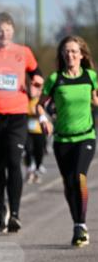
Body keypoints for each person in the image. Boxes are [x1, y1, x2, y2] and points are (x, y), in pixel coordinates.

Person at [0, 13, 43, 233]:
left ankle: (15, 214)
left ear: (13, 31)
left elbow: (37, 74)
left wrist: (36, 86)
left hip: (17, 115)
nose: (4, 34)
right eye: (0, 30)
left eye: (8, 30)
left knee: (14, 161)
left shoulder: (23, 52)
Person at [38, 35, 98, 247]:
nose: (70, 55)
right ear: (62, 55)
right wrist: (43, 119)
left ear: (81, 55)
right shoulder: (55, 79)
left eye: (74, 51)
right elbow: (40, 104)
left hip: (86, 136)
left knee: (79, 177)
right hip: (62, 139)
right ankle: (77, 223)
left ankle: (81, 225)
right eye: (66, 51)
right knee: (69, 183)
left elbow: (96, 99)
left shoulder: (90, 76)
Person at [24, 81, 47, 183]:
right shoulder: (26, 99)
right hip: (27, 130)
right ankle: (29, 170)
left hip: (39, 130)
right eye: (32, 88)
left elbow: (48, 112)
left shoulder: (42, 100)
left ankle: (37, 169)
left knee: (39, 152)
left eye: (37, 88)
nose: (33, 90)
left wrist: (38, 114)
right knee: (28, 150)